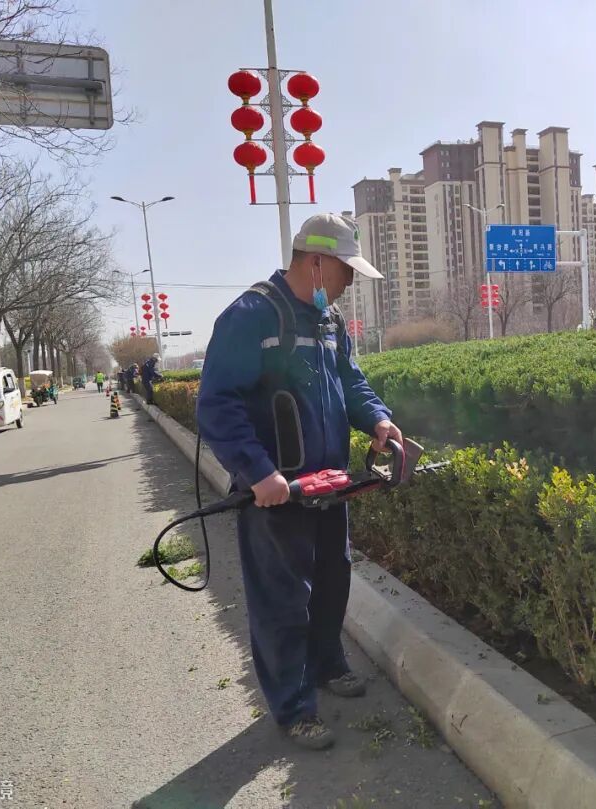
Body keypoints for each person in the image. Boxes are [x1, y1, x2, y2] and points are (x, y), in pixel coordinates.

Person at [197, 213, 401, 751]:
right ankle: (294, 706)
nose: (349, 283)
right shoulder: (250, 316)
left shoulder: (329, 322)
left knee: (333, 581)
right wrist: (258, 471)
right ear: (315, 263)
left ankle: (328, 664)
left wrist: (377, 419)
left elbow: (350, 381)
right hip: (277, 493)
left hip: (329, 486)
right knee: (283, 602)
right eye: (345, 271)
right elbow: (216, 405)